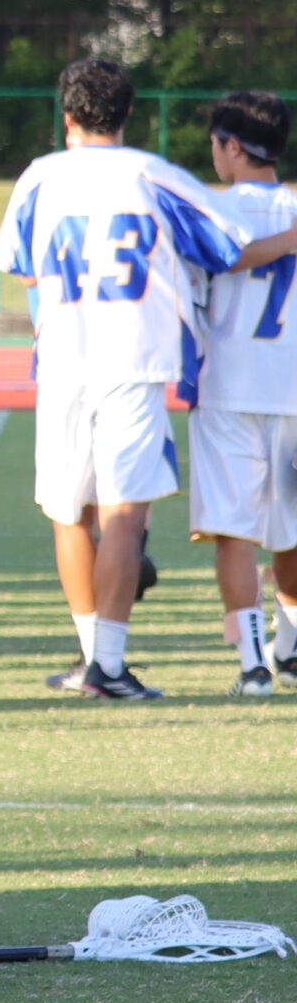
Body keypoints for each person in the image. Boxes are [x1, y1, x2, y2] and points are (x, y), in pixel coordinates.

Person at [0, 59, 297, 701]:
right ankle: (108, 663)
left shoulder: (38, 176)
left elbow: (22, 267)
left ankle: (90, 656)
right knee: (125, 515)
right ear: (128, 112)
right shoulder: (155, 176)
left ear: (67, 116)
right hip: (133, 360)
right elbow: (225, 249)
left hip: (63, 360)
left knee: (68, 512)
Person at [188, 92, 297, 695]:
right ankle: (291, 646)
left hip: (228, 385)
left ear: (232, 145)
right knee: (292, 528)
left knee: (235, 530)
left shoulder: (208, 208)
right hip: (293, 385)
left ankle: (254, 664)